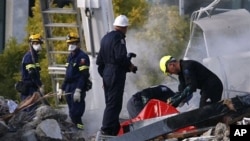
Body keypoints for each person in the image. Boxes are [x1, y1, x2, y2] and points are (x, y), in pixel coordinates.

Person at [96, 15, 138, 136]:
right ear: (124, 28)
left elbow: (99, 62)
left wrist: (104, 78)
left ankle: (114, 129)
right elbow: (120, 57)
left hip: (107, 74)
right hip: (115, 73)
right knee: (114, 104)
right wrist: (130, 66)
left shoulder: (105, 38)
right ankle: (107, 130)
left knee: (110, 102)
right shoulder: (119, 38)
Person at [159, 55, 223, 108]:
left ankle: (229, 109)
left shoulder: (187, 67)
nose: (171, 73)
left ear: (171, 65)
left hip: (213, 86)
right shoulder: (181, 75)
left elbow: (191, 86)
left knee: (205, 109)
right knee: (205, 109)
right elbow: (182, 90)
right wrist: (172, 100)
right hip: (207, 88)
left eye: (168, 71)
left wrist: (178, 100)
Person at [57, 32, 91, 130]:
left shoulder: (82, 57)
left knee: (76, 113)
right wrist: (62, 89)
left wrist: (79, 89)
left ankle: (81, 130)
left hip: (77, 86)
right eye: (69, 43)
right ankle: (76, 131)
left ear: (78, 43)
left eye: (73, 43)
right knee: (71, 112)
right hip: (68, 86)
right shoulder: (70, 56)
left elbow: (83, 75)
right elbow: (67, 75)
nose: (71, 45)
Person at [20, 34, 45, 111]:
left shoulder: (34, 56)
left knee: (32, 109)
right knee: (30, 110)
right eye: (36, 43)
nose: (39, 45)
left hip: (32, 88)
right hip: (29, 89)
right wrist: (39, 85)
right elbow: (32, 73)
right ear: (31, 44)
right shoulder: (29, 56)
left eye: (39, 43)